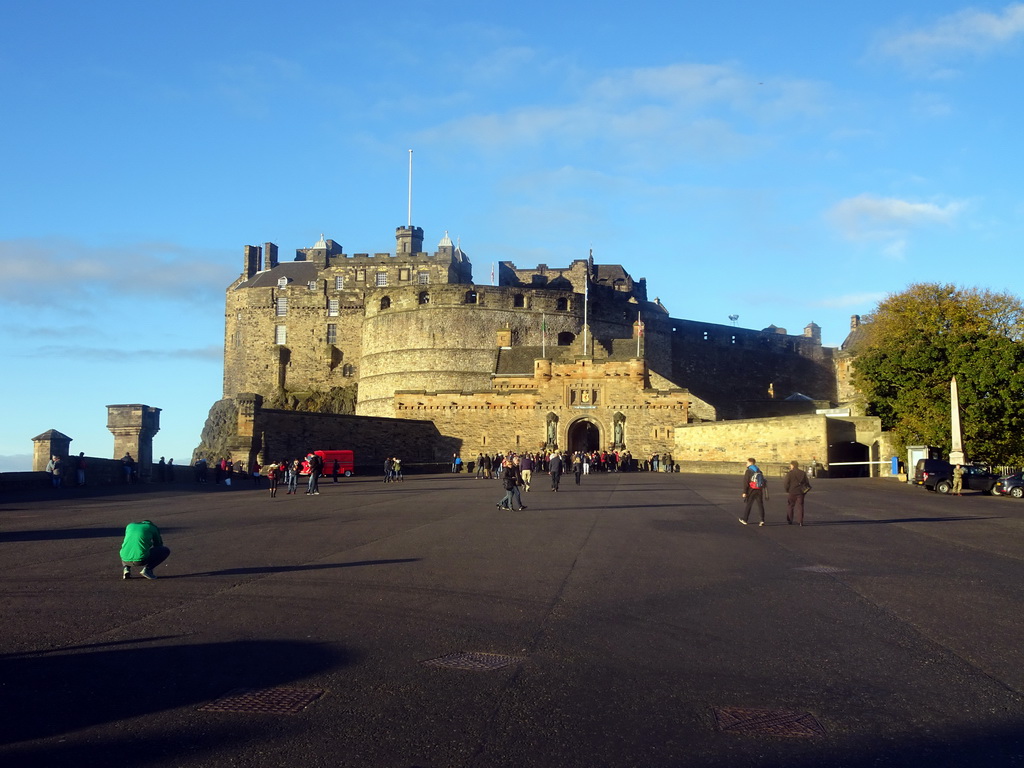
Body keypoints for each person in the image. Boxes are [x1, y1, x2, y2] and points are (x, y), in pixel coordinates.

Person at [740, 457, 767, 527]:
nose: (746, 464)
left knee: (749, 504)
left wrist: (744, 492)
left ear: (750, 463)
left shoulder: (748, 471)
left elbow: (746, 482)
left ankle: (745, 519)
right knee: (760, 504)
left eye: (747, 462)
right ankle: (762, 520)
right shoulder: (759, 471)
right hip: (759, 489)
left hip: (751, 490)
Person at [783, 460, 811, 526]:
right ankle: (800, 521)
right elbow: (807, 482)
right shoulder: (803, 473)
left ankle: (790, 520)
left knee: (790, 505)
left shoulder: (790, 473)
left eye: (790, 465)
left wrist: (787, 490)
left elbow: (786, 483)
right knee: (800, 506)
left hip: (792, 491)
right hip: (800, 492)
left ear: (792, 465)